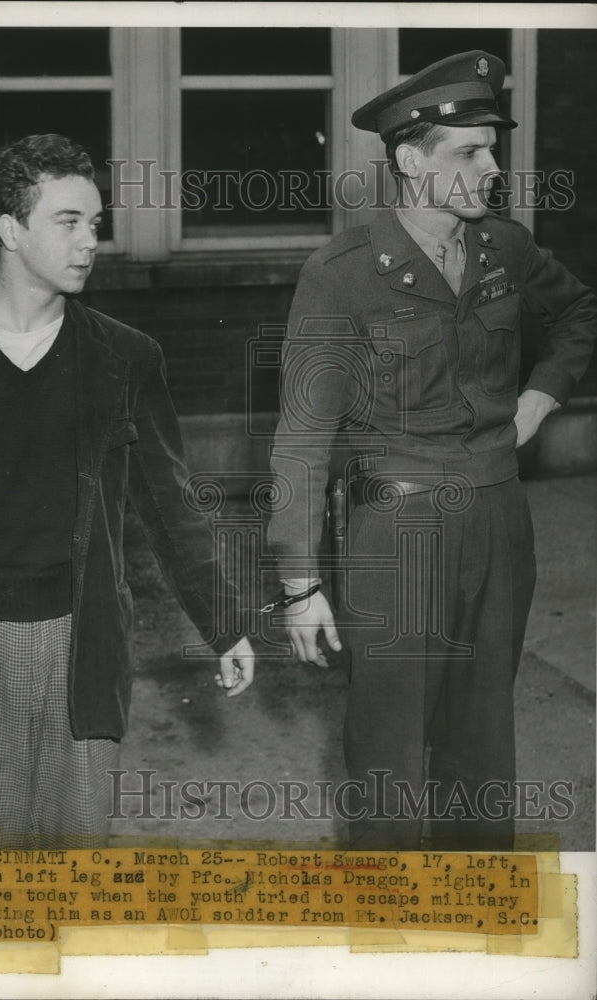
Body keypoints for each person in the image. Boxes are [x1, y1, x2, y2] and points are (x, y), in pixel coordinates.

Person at [0, 133, 255, 849]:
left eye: (95, 224)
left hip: (83, 640)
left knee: (73, 869)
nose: (89, 242)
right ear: (11, 230)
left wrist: (222, 619)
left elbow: (170, 508)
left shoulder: (126, 358)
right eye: (67, 222)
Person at [268, 51, 596, 849]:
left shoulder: (503, 251)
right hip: (396, 529)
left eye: (493, 147)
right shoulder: (341, 275)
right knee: (388, 746)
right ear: (411, 162)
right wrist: (299, 582)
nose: (492, 167)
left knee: (482, 736)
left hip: (496, 518)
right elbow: (302, 434)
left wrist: (537, 398)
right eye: (469, 151)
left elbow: (578, 314)